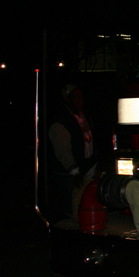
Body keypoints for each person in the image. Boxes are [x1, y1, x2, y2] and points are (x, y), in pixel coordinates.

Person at [48, 84, 98, 220]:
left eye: (81, 96)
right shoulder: (61, 121)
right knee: (70, 208)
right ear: (67, 99)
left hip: (85, 171)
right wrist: (74, 171)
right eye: (75, 97)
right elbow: (62, 151)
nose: (80, 100)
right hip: (68, 175)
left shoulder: (84, 116)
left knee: (85, 206)